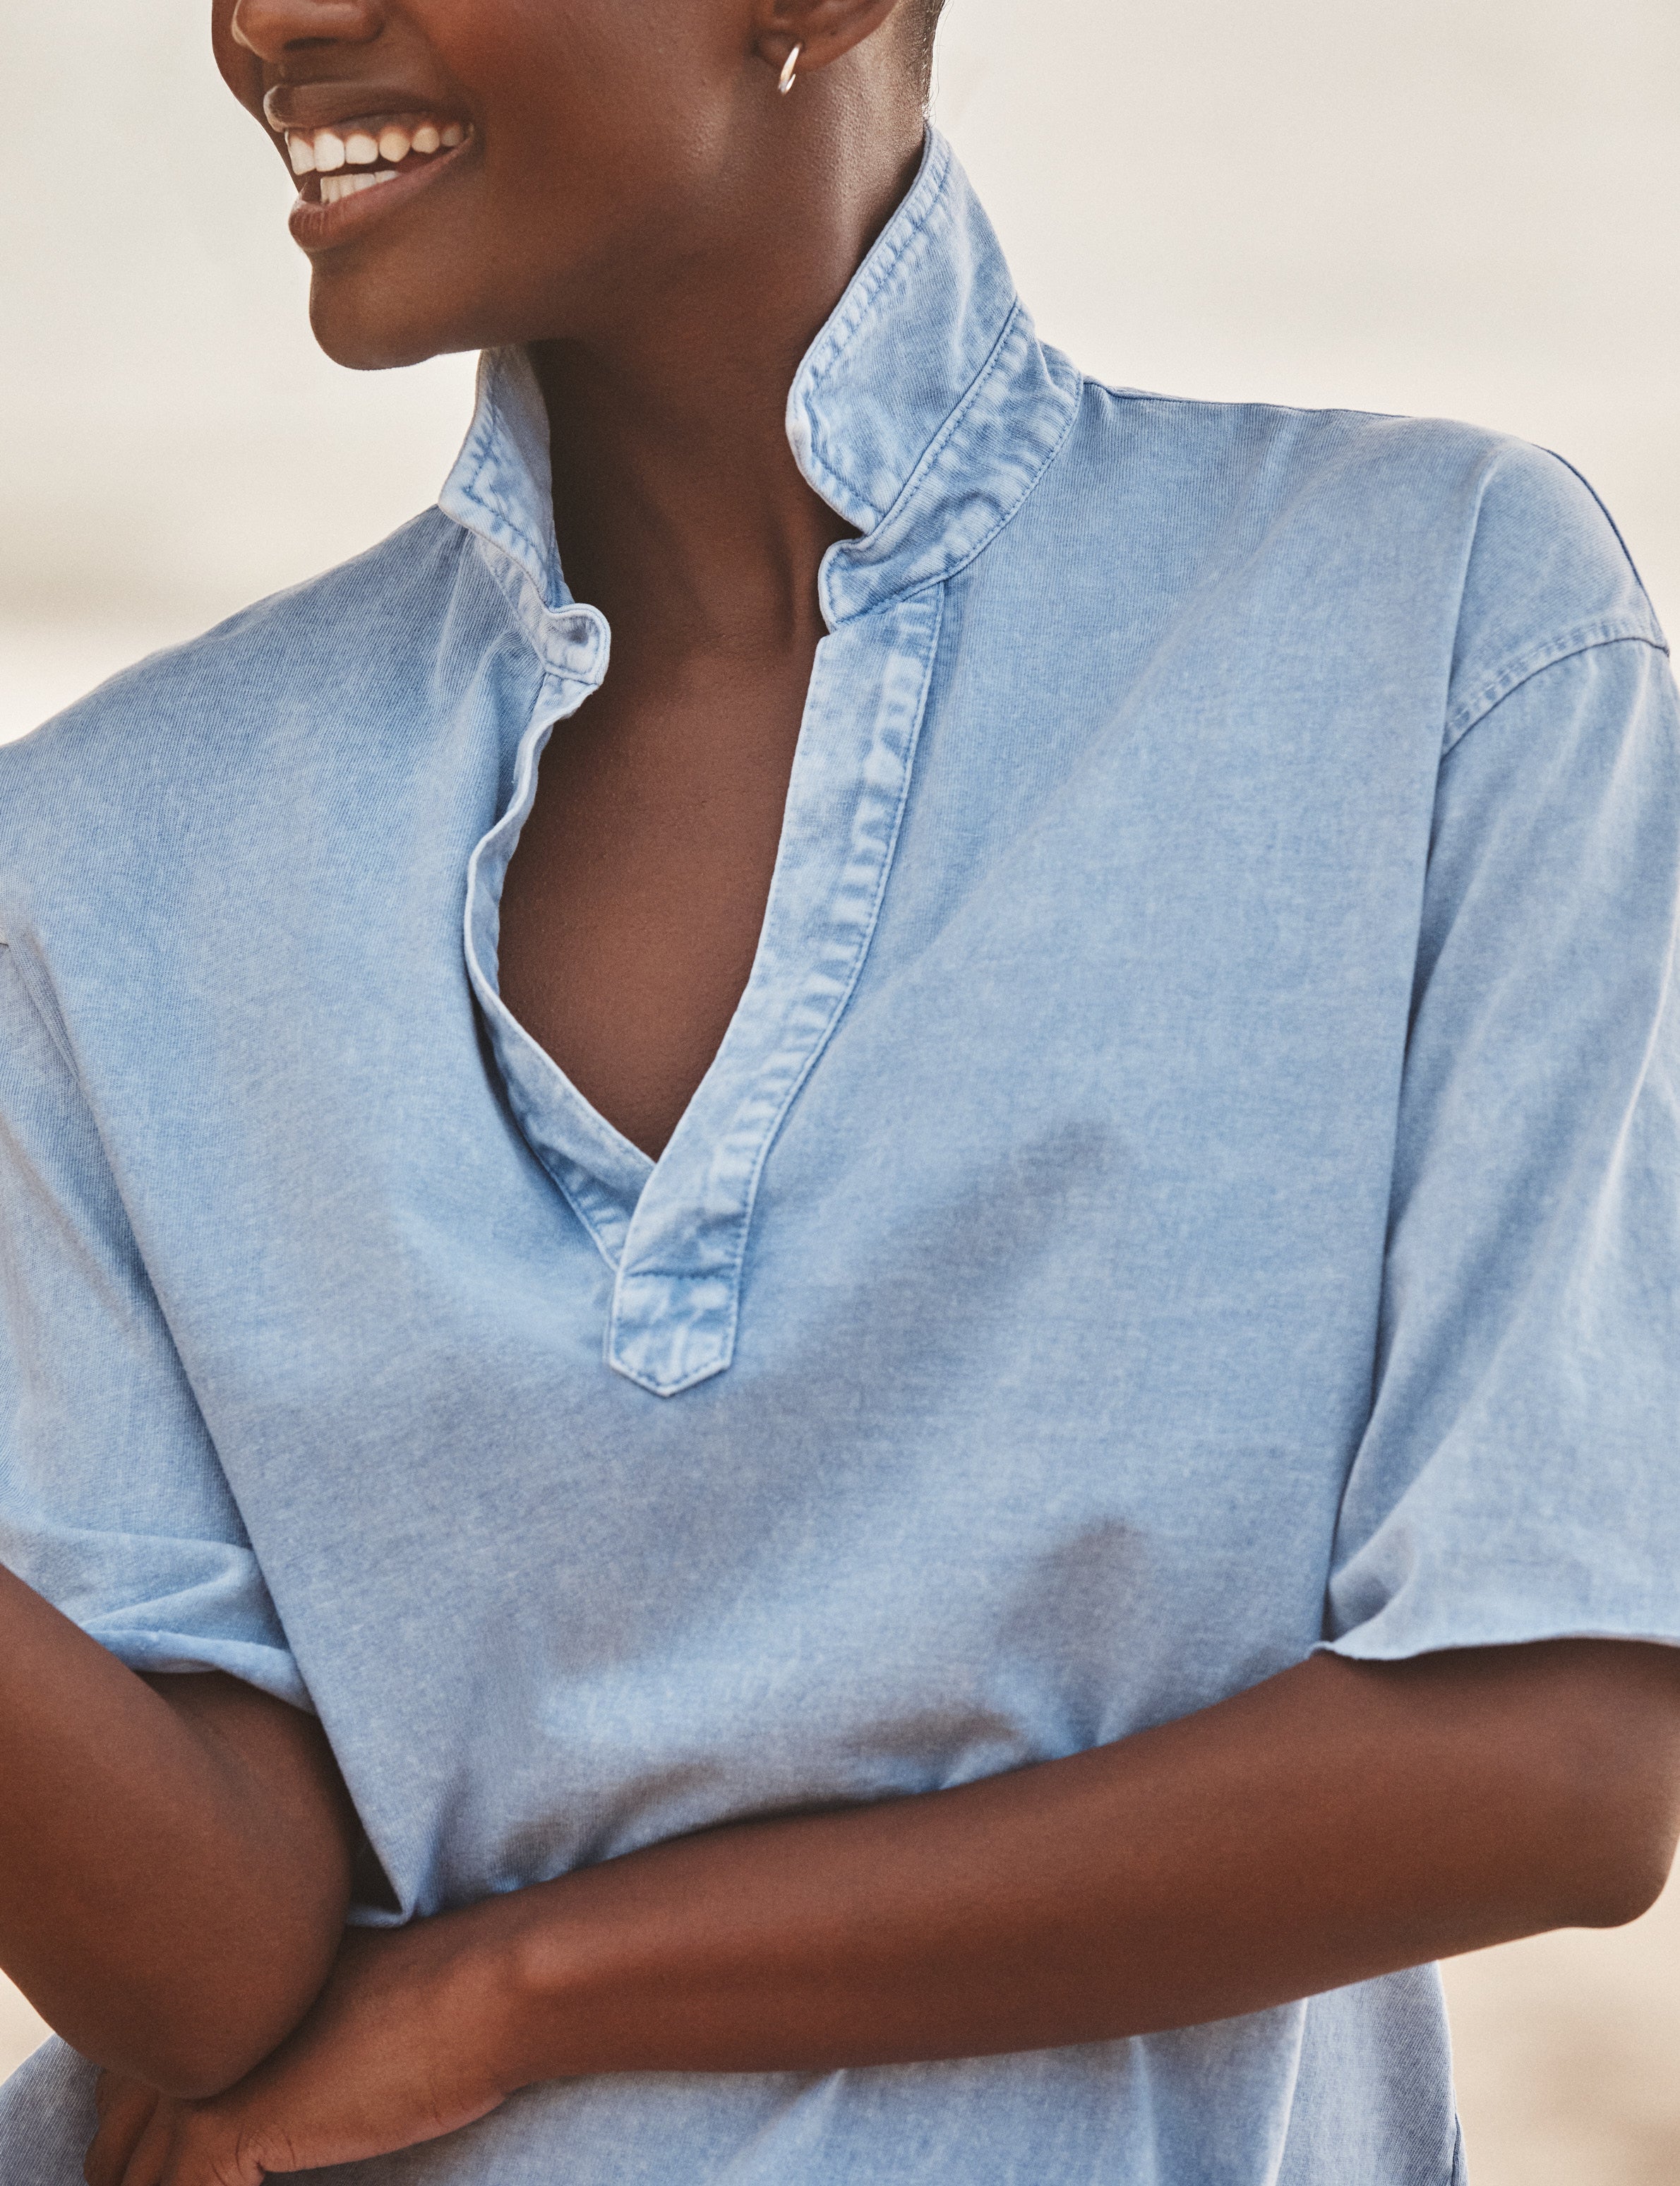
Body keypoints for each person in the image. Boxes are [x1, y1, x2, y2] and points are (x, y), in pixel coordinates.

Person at [2, 0, 1679, 2179]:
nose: (268, 22)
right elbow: (206, 1975)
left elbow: (1554, 1760)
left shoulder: (1432, 625)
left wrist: (511, 1990)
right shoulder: (102, 857)